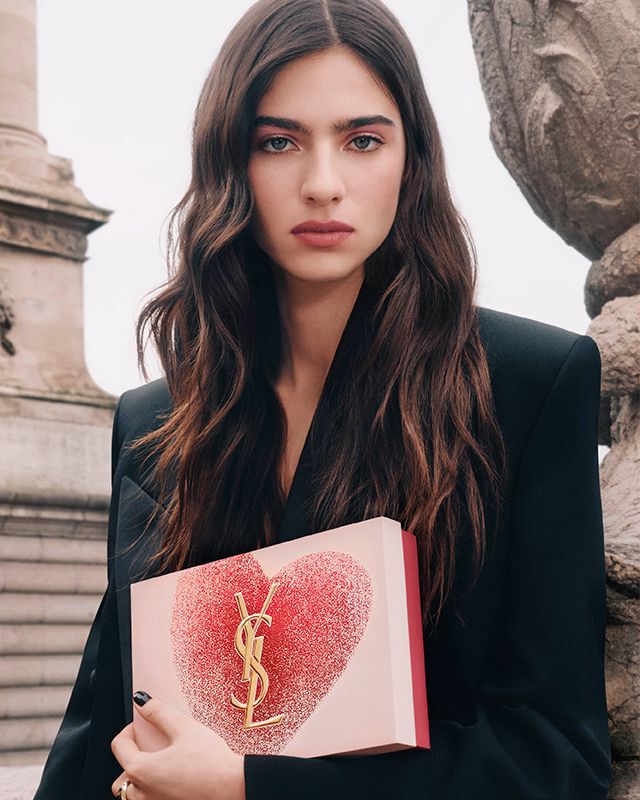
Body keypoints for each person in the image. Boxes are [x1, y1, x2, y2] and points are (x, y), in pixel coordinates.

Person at [33, 0, 612, 797]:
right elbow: (100, 727)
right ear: (230, 165)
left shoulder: (529, 383)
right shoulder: (153, 421)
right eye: (279, 142)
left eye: (363, 139)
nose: (323, 184)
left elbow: (555, 760)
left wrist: (249, 785)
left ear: (412, 162)